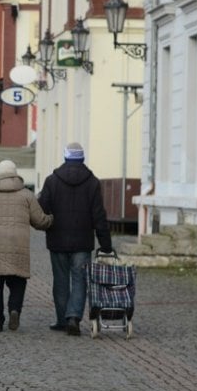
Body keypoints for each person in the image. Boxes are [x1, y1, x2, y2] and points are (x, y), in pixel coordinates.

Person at [37, 142, 113, 336]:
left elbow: (42, 208)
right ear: (82, 158)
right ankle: (73, 317)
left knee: (60, 280)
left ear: (65, 157)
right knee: (80, 280)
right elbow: (99, 215)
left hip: (57, 239)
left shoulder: (51, 181)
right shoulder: (92, 182)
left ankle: (62, 320)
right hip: (82, 241)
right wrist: (106, 244)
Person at [0, 162, 52, 331]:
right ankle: (14, 309)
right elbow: (39, 221)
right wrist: (52, 219)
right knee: (18, 281)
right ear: (15, 174)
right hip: (18, 245)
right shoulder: (27, 195)